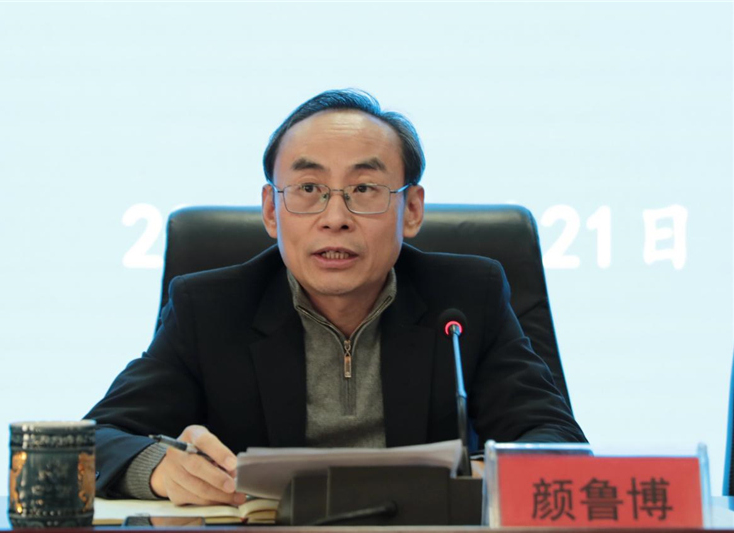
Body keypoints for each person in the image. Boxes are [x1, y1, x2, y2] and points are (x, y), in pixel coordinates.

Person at [85, 89, 586, 505]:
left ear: (412, 210)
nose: (335, 218)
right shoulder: (210, 309)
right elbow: (93, 441)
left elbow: (557, 442)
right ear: (271, 210)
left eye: (365, 189)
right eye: (308, 188)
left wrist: (486, 476)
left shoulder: (466, 299)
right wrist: (156, 468)